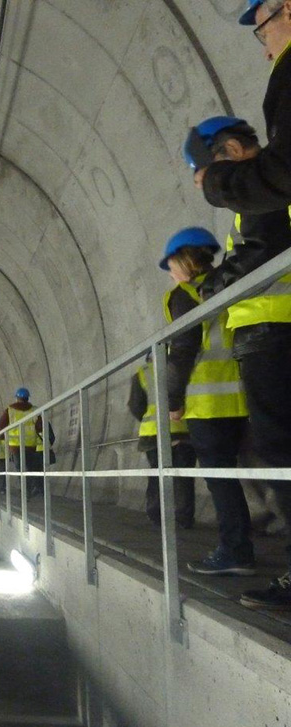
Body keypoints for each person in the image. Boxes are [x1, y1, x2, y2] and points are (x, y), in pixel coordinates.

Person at [187, 6, 291, 610]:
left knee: (282, 451)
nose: (261, 44)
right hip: (270, 334)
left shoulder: (257, 196)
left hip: (273, 333)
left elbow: (258, 254)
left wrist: (214, 288)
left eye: (262, 24)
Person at [160, 228, 254, 575]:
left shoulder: (183, 295)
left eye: (171, 264)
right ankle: (240, 546)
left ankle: (235, 551)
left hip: (206, 403)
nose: (170, 272)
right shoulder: (226, 284)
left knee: (220, 480)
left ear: (184, 260)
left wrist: (173, 400)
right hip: (242, 399)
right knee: (237, 477)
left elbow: (181, 350)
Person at [127, 353, 196, 528]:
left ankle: (155, 514)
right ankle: (184, 517)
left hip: (153, 434)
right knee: (183, 477)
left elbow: (135, 405)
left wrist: (147, 418)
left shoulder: (142, 373)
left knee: (157, 475)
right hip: (182, 431)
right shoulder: (183, 367)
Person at [0, 388, 44, 498]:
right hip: (31, 445)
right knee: (30, 468)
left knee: (20, 469)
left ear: (17, 398)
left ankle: (24, 492)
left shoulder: (10, 410)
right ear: (27, 398)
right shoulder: (34, 410)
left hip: (15, 445)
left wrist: (2, 437)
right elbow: (40, 427)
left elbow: (0, 426)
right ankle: (31, 489)